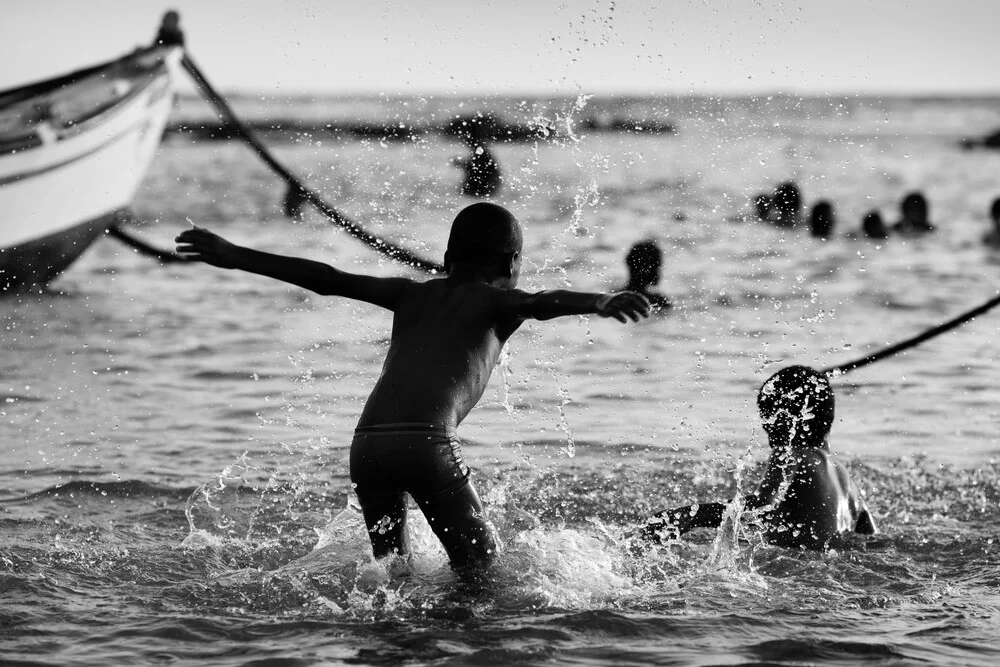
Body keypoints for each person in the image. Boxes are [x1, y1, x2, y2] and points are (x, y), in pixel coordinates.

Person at [175, 202, 651, 570]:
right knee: (483, 574)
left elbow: (326, 278)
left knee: (391, 576)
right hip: (426, 443)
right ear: (512, 262)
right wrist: (600, 300)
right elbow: (543, 302)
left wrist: (234, 255)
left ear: (446, 259)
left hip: (366, 446)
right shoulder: (499, 301)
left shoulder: (410, 292)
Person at [639, 365, 876, 551]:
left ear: (785, 420)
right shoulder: (847, 480)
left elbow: (761, 507)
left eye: (769, 420)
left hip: (796, 572)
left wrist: (689, 516)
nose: (767, 430)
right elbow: (872, 539)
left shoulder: (790, 454)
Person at [623, 240, 672, 312]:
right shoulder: (657, 302)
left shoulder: (612, 299)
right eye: (658, 266)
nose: (659, 271)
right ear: (648, 269)